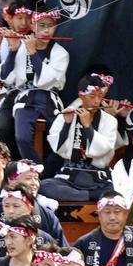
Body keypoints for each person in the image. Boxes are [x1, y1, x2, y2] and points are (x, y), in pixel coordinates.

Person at [1, 9, 68, 161]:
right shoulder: (22, 46)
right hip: (25, 98)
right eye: (41, 25)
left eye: (50, 25)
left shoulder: (60, 53)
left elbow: (47, 80)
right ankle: (34, 168)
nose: (46, 30)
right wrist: (13, 50)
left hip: (50, 98)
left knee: (59, 139)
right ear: (32, 26)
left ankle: (48, 172)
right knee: (22, 138)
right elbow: (5, 76)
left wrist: (33, 53)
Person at [40, 73, 119, 203]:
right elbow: (57, 148)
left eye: (100, 96)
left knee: (115, 191)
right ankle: (90, 195)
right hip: (69, 177)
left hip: (97, 178)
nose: (96, 101)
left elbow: (103, 149)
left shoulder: (110, 121)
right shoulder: (68, 114)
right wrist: (66, 124)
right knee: (44, 187)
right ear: (81, 96)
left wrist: (88, 126)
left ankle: (88, 194)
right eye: (92, 96)